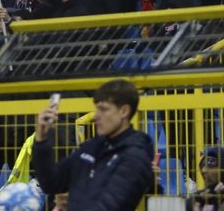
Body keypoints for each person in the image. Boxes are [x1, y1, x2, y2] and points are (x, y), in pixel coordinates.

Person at [32, 79, 154, 210]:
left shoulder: (135, 157)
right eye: (97, 109)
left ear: (124, 111)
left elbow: (108, 207)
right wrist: (41, 140)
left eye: (103, 109)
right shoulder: (92, 146)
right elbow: (52, 183)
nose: (96, 116)